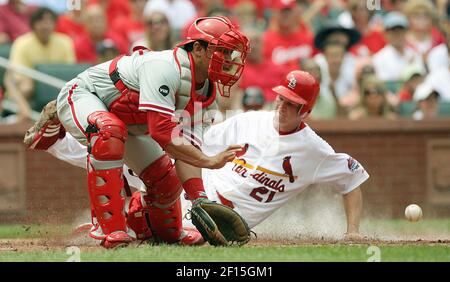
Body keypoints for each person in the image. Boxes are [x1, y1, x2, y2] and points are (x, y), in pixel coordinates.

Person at [35, 70, 369, 242]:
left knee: (151, 226)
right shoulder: (250, 121)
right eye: (281, 98)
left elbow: (353, 178)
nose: (282, 107)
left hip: (221, 222)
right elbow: (197, 148)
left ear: (306, 111)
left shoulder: (315, 150)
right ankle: (54, 140)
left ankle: (112, 222)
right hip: (196, 193)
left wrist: (352, 231)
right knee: (124, 155)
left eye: (292, 104)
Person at [23, 16, 250, 249]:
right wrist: (209, 161)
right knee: (108, 133)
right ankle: (110, 230)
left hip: (128, 122)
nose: (229, 60)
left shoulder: (208, 99)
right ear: (199, 49)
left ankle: (161, 233)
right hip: (86, 94)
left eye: (231, 53)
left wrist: (199, 197)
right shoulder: (165, 67)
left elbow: (186, 152)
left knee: (167, 179)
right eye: (222, 51)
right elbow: (162, 133)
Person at [5, 7, 75, 121]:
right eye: (42, 21)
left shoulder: (65, 42)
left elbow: (69, 72)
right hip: (28, 90)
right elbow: (17, 76)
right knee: (26, 86)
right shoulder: (22, 43)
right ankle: (22, 119)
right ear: (33, 24)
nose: (46, 26)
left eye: (50, 21)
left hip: (56, 88)